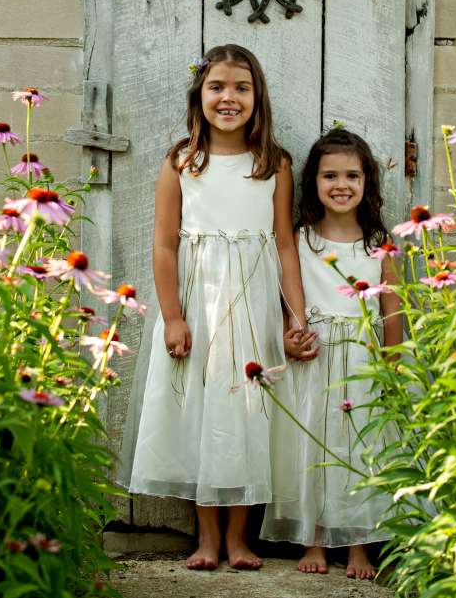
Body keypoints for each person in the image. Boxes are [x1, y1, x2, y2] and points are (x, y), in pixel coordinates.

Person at [122, 44, 307, 571]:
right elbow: (163, 243)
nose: (229, 98)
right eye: (217, 87)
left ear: (258, 97)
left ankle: (240, 537)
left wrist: (295, 318)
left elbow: (285, 244)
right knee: (198, 414)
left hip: (252, 305)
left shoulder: (274, 163)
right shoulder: (182, 160)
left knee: (251, 415)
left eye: (241, 88)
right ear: (199, 94)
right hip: (198, 304)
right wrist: (173, 316)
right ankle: (205, 538)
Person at [261, 128, 402, 580]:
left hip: (362, 361)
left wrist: (393, 360)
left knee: (361, 451)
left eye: (352, 175)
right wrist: (289, 338)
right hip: (315, 362)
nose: (341, 185)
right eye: (329, 176)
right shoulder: (302, 241)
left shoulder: (379, 243)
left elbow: (391, 308)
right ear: (313, 182)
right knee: (314, 448)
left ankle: (359, 544)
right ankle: (315, 538)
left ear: (368, 183)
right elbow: (286, 299)